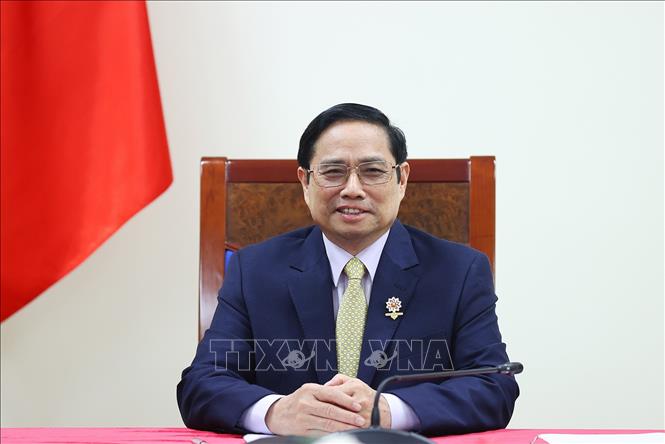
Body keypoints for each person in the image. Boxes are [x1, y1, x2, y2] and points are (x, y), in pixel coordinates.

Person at [177, 103, 519, 437]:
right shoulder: (254, 271)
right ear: (305, 182)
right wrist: (275, 411)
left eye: (372, 171)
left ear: (401, 179)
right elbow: (202, 384)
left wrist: (390, 411)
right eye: (333, 172)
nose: (352, 189)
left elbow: (494, 386)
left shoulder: (459, 272)